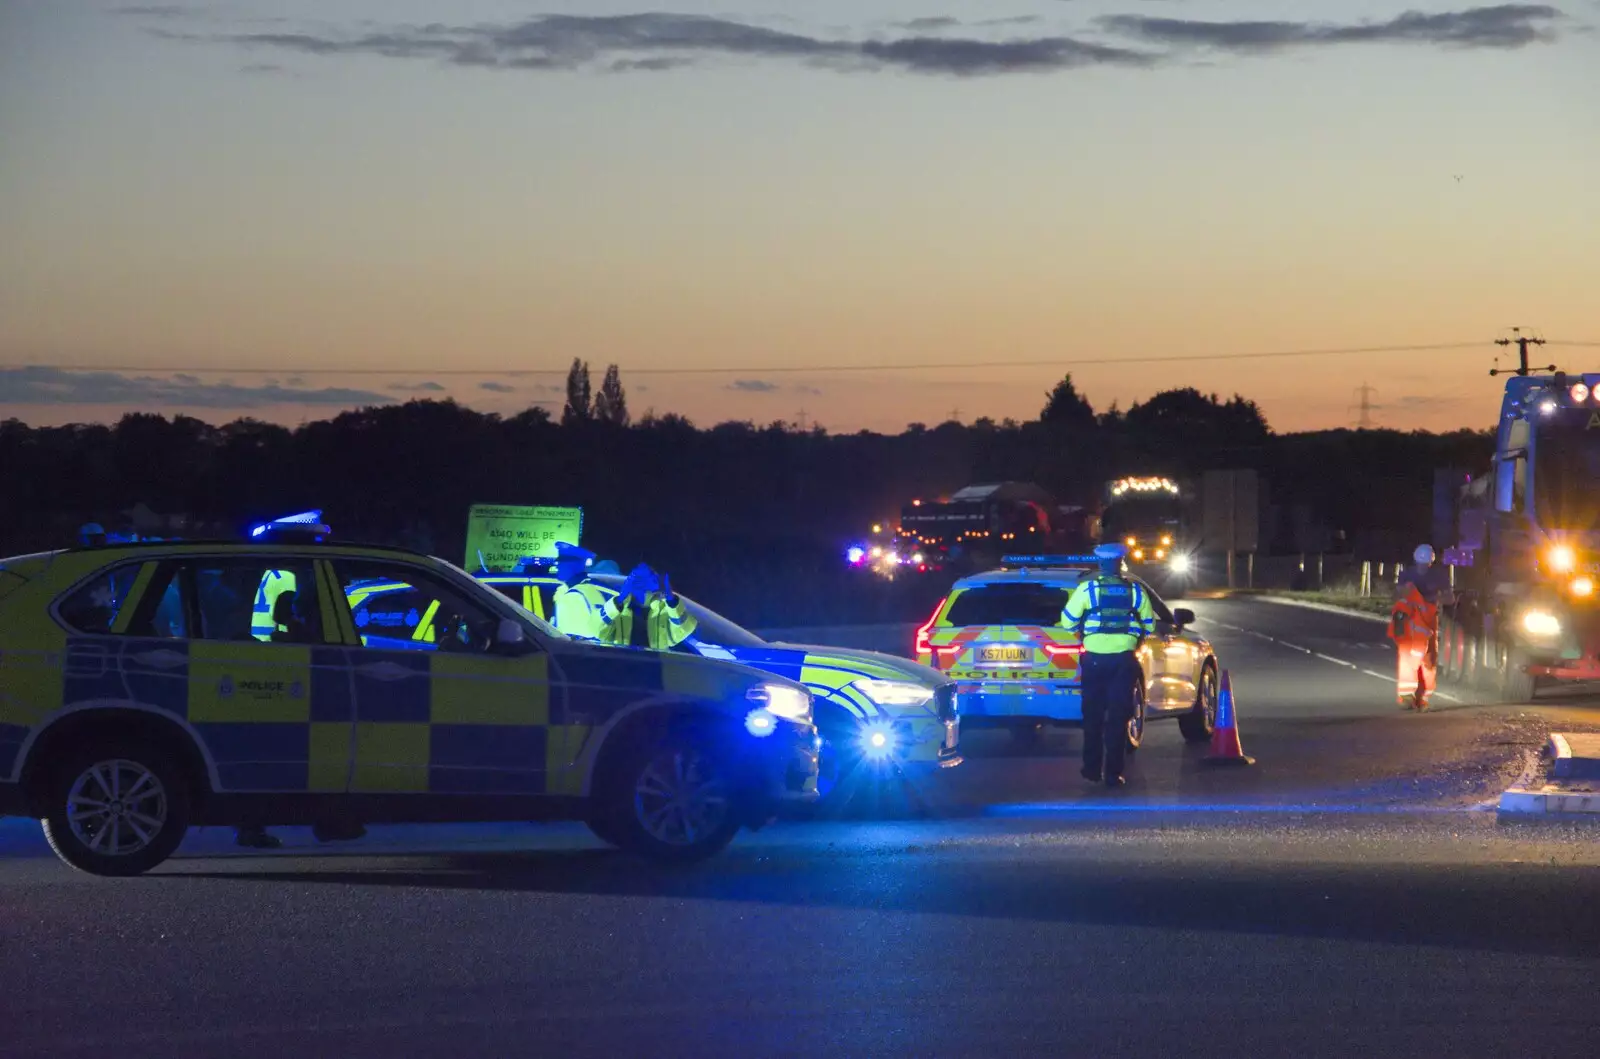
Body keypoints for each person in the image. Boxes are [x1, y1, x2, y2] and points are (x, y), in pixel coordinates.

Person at [1061, 543, 1157, 788]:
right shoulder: (1135, 591)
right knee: (1118, 718)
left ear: (1100, 565)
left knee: (1092, 716)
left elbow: (1067, 622)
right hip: (1124, 662)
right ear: (1120, 564)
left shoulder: (1086, 590)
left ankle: (1091, 769)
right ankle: (1113, 775)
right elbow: (1150, 626)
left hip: (1093, 661)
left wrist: (1081, 632)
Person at [1389, 544, 1455, 710]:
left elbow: (1396, 595)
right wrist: (1437, 597)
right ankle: (1419, 696)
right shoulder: (1438, 576)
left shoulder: (1407, 575)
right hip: (1424, 621)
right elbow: (1450, 599)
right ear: (1431, 559)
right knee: (1426, 658)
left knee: (1409, 655)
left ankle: (1409, 695)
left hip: (1411, 620)